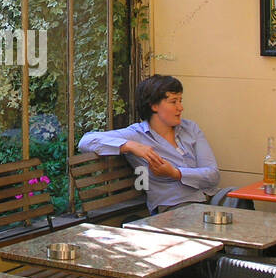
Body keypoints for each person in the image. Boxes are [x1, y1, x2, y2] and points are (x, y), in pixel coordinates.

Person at [77, 74, 220, 212]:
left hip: (209, 199)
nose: (180, 107)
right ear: (154, 106)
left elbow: (213, 175)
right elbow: (86, 141)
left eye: (180, 101)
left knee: (238, 198)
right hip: (175, 206)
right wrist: (130, 146)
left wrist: (176, 173)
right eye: (173, 102)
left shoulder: (190, 128)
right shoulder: (137, 135)